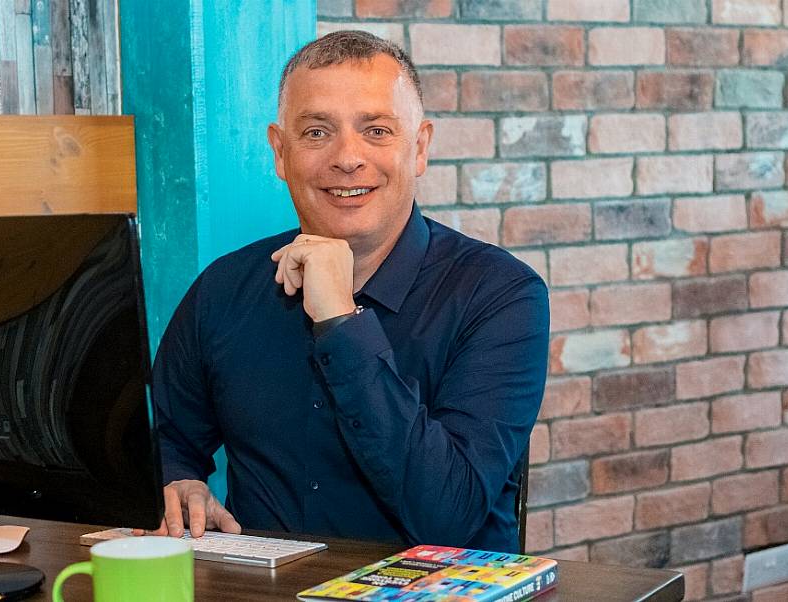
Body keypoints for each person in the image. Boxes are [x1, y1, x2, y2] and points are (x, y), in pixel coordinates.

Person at [144, 30, 549, 553]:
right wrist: (178, 481)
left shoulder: (500, 297)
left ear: (419, 147)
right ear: (280, 152)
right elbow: (163, 438)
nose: (347, 158)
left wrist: (341, 318)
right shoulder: (225, 287)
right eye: (316, 133)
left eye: (376, 130)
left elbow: (448, 516)